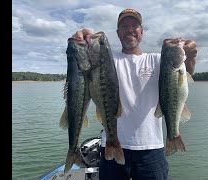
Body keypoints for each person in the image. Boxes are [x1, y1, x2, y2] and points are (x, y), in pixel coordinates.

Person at [71, 8, 197, 180]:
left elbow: (185, 72)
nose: (130, 29)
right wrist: (82, 36)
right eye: (124, 26)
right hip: (111, 145)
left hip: (152, 150)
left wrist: (190, 57)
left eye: (134, 25)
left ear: (141, 31)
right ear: (118, 32)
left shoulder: (158, 59)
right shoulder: (107, 59)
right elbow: (87, 59)